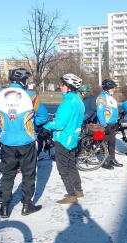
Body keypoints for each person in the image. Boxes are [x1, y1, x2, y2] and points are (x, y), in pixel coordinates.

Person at [0, 67, 48, 218]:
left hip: (7, 141)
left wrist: (0, 130)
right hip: (26, 140)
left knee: (7, 175)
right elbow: (44, 116)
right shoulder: (30, 96)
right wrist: (31, 125)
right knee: (28, 174)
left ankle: (4, 208)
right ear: (24, 81)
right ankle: (27, 206)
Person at [44, 74, 85, 204]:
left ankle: (71, 195)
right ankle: (78, 190)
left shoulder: (67, 103)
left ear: (68, 87)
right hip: (73, 138)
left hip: (63, 139)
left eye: (62, 85)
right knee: (71, 165)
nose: (60, 87)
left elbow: (59, 124)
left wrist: (45, 125)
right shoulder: (79, 101)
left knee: (63, 168)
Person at [97, 79, 123, 170]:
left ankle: (112, 159)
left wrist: (116, 122)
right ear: (107, 88)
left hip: (112, 124)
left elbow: (114, 111)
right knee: (104, 143)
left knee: (112, 142)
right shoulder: (102, 97)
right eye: (112, 88)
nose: (114, 89)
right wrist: (104, 125)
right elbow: (100, 112)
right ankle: (104, 161)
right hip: (106, 124)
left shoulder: (111, 97)